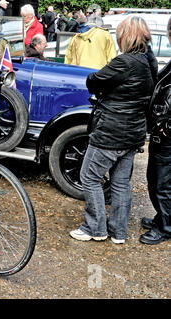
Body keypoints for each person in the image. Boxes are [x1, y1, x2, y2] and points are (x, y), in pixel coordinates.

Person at [70, 16, 158, 244]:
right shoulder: (149, 61)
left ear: (125, 37)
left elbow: (94, 80)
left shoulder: (125, 62)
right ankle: (118, 232)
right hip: (133, 133)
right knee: (120, 183)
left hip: (111, 132)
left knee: (89, 177)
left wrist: (96, 79)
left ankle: (95, 228)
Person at [139, 17, 171, 245]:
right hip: (162, 130)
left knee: (162, 183)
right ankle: (163, 218)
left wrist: (166, 127)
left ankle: (166, 227)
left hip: (167, 134)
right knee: (156, 179)